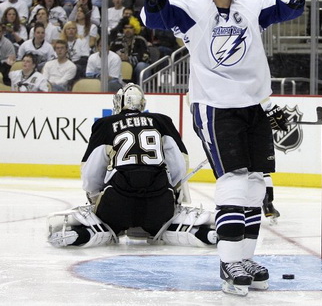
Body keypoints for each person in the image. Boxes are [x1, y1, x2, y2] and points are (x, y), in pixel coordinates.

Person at [141, 0, 314, 296]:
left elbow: (285, 7)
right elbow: (154, 18)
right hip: (216, 106)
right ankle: (227, 262)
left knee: (255, 184)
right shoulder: (193, 6)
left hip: (253, 104)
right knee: (233, 180)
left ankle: (243, 258)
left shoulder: (250, 2)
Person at [48, 83, 217, 248]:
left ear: (120, 101)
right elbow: (180, 164)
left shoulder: (105, 124)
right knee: (163, 225)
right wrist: (171, 191)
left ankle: (86, 233)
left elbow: (90, 174)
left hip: (117, 203)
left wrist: (95, 198)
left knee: (108, 225)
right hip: (158, 203)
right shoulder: (161, 121)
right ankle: (198, 233)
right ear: (142, 103)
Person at [110, 17, 151, 85]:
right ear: (122, 29)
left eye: (130, 28)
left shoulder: (140, 40)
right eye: (125, 28)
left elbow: (145, 57)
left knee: (141, 65)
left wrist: (128, 59)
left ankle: (142, 89)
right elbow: (110, 54)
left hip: (136, 68)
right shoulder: (117, 41)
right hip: (120, 68)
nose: (127, 30)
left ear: (135, 29)